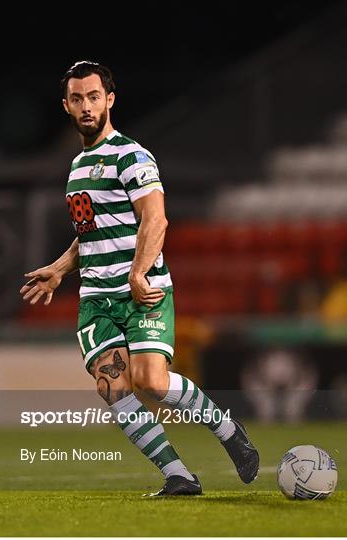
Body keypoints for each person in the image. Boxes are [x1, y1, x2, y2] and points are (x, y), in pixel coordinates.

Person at [20, 60, 259, 497]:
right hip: (96, 298)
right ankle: (179, 475)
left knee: (153, 382)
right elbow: (89, 236)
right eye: (77, 99)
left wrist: (138, 271)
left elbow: (156, 219)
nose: (86, 106)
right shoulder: (76, 167)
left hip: (142, 289)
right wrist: (59, 268)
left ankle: (227, 429)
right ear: (66, 106)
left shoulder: (132, 155)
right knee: (113, 388)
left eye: (94, 97)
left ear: (109, 100)